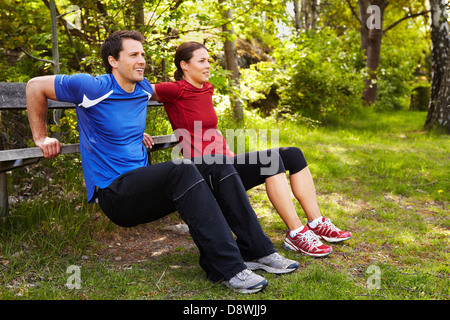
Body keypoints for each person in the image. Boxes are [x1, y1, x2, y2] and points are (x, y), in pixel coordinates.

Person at [25, 30, 299, 294]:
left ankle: (256, 250)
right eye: (133, 55)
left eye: (142, 54)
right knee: (180, 169)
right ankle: (227, 267)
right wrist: (41, 136)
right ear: (113, 61)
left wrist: (135, 134)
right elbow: (35, 86)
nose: (141, 60)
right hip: (115, 194)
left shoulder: (142, 88)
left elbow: (177, 97)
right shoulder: (91, 86)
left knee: (216, 162)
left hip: (145, 187)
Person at [147, 41, 352, 258]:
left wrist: (232, 155)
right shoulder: (173, 90)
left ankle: (317, 222)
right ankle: (296, 233)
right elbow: (132, 90)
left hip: (226, 162)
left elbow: (210, 132)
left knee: (293, 154)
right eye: (202, 61)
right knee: (270, 159)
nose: (208, 65)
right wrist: (136, 132)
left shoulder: (206, 88)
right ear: (184, 65)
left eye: (208, 60)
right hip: (206, 170)